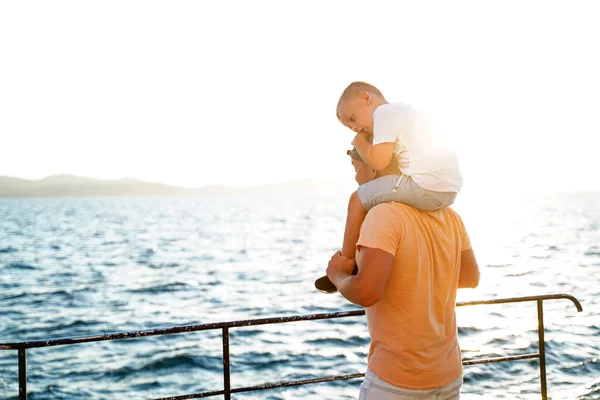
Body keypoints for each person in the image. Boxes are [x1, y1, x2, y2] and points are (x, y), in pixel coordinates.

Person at [325, 181, 480, 399]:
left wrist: (337, 275)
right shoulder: (449, 215)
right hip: (448, 376)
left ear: (375, 167)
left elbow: (365, 293)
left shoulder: (383, 214)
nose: (355, 171)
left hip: (398, 383)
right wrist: (423, 277)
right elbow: (470, 278)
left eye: (356, 159)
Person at [316, 81, 463, 293]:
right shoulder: (404, 114)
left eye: (352, 119)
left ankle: (346, 263)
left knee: (357, 200)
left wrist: (359, 141)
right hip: (448, 189)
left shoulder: (383, 113)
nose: (355, 127)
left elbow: (379, 162)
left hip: (425, 186)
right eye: (350, 127)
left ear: (366, 98)